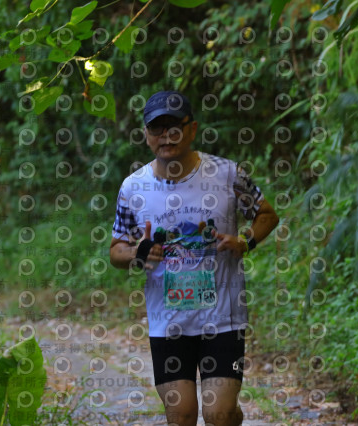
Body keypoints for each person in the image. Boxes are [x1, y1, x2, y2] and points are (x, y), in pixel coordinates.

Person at [109, 90, 279, 426]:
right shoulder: (133, 188)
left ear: (192, 129)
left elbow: (266, 215)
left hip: (223, 317)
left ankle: (230, 415)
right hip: (168, 321)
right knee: (181, 414)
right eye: (157, 129)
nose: (166, 136)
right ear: (146, 134)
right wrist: (139, 252)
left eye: (174, 127)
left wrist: (245, 241)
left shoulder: (227, 174)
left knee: (218, 413)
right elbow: (116, 250)